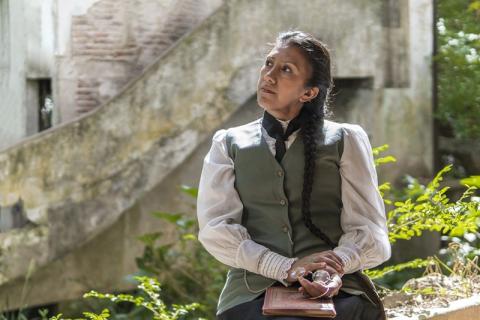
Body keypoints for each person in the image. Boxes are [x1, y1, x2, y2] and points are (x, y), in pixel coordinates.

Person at [196, 30, 391, 320]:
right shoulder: (228, 143)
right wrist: (285, 267)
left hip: (337, 288)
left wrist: (332, 266)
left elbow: (371, 232)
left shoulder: (345, 140)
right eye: (268, 63)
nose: (269, 76)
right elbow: (215, 229)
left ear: (309, 92)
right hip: (251, 291)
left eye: (286, 69)